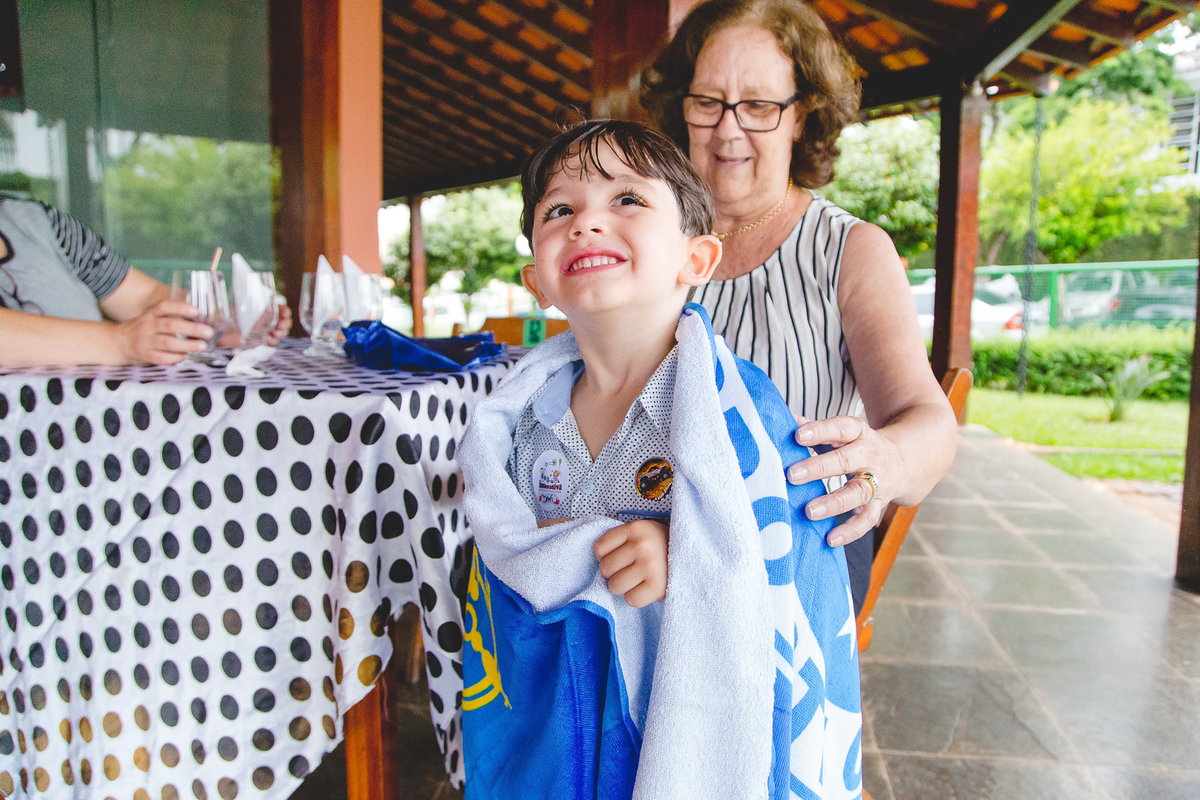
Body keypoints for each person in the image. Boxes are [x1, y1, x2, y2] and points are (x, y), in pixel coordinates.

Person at [457, 120, 861, 799]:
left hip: (676, 729)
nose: (587, 223)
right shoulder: (523, 423)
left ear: (696, 260)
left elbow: (782, 554)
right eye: (560, 210)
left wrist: (694, 554)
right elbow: (508, 567)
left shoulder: (738, 417)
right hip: (563, 727)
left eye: (627, 201)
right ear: (538, 283)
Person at [641, 0, 958, 613]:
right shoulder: (652, 243)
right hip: (659, 545)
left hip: (796, 558)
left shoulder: (849, 250)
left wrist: (887, 459)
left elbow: (929, 422)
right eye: (708, 101)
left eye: (759, 106)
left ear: (801, 114)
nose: (728, 129)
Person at [0, 195, 290, 367]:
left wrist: (216, 321)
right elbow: (126, 337)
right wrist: (121, 342)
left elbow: (141, 297)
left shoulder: (38, 222)